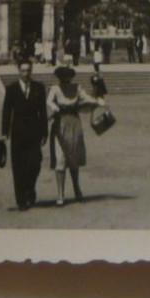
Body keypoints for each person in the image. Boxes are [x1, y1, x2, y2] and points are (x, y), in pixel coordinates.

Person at [47, 65, 106, 207]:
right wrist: (54, 107)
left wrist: (97, 99)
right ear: (59, 77)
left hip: (74, 124)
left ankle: (77, 189)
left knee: (73, 157)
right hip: (60, 124)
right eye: (63, 77)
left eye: (68, 76)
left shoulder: (77, 88)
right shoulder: (55, 89)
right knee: (60, 158)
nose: (66, 79)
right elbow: (49, 101)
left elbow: (87, 99)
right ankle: (60, 194)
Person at [1, 59, 49, 211]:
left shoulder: (39, 88)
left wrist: (44, 132)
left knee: (35, 164)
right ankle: (21, 200)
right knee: (18, 166)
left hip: (34, 132)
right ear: (18, 71)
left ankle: (30, 188)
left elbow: (43, 111)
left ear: (31, 71)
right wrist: (5, 132)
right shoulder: (12, 89)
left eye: (28, 70)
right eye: (23, 70)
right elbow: (7, 112)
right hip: (18, 133)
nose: (26, 73)